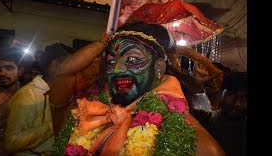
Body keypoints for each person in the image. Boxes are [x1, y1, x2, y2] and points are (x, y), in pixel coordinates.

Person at [55, 21, 225, 155]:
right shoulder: (94, 113)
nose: (117, 70)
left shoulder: (192, 139)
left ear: (159, 68)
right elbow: (63, 72)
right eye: (111, 62)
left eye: (133, 60)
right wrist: (103, 42)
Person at [3, 39, 108, 155]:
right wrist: (51, 126)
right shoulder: (28, 95)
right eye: (75, 72)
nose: (87, 82)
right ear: (54, 66)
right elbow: (11, 143)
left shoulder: (72, 96)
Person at [210, 72, 247, 156]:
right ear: (221, 93)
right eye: (232, 94)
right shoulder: (206, 123)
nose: (237, 103)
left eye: (244, 98)